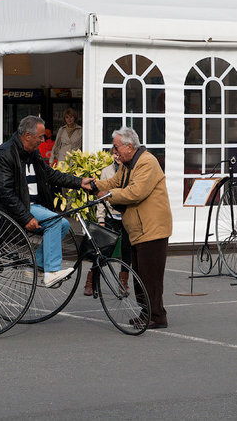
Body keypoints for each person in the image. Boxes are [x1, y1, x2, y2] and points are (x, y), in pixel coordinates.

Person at [0, 115, 94, 287]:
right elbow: (5, 193)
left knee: (64, 225)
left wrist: (79, 182)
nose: (43, 140)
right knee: (55, 221)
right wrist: (26, 218)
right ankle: (51, 272)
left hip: (31, 206)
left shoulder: (32, 153)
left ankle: (37, 264)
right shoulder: (5, 155)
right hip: (14, 209)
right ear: (27, 136)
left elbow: (50, 174)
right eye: (40, 137)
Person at [96, 127, 172, 329]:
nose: (115, 151)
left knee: (150, 277)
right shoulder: (128, 163)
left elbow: (135, 192)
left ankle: (157, 316)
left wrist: (107, 194)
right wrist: (94, 185)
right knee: (140, 274)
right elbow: (114, 181)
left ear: (129, 146)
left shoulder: (146, 162)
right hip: (139, 229)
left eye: (116, 147)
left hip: (152, 229)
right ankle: (147, 313)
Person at [84, 147, 132, 296]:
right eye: (115, 153)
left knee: (127, 251)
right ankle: (91, 281)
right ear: (112, 154)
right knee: (103, 250)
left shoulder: (130, 170)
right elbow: (100, 197)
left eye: (119, 154)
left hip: (125, 215)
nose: (117, 156)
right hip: (110, 215)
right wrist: (101, 219)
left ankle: (123, 283)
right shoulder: (106, 171)